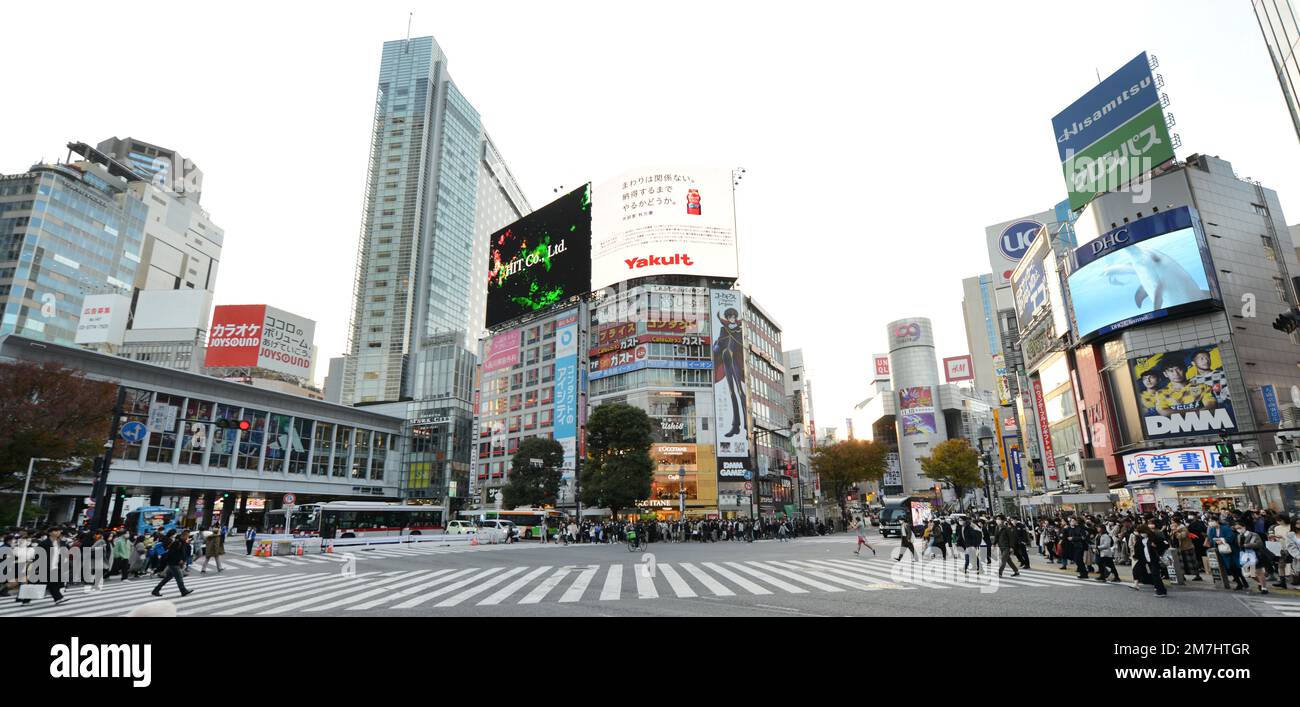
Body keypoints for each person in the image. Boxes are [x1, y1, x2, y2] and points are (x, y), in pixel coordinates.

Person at [1206, 516, 1248, 591]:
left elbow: (1231, 536)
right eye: (1209, 521)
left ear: (1216, 521)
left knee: (1236, 566)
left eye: (1212, 521)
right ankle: (1239, 582)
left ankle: (1242, 581)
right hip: (1222, 551)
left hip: (1232, 550)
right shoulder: (1212, 530)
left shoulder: (1225, 528)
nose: (1210, 523)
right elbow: (1210, 539)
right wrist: (1216, 542)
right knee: (1230, 567)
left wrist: (1222, 540)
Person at [152, 532, 194, 598]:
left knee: (167, 578)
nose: (187, 538)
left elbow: (183, 553)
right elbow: (172, 553)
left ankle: (156, 590)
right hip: (174, 563)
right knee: (179, 578)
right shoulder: (177, 543)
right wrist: (179, 560)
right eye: (187, 536)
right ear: (183, 536)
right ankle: (183, 591)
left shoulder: (182, 543)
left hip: (173, 563)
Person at [1234, 520, 1271, 595]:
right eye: (1236, 528)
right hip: (1245, 556)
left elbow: (1259, 544)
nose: (1238, 529)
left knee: (1259, 572)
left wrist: (1246, 545)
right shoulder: (1238, 536)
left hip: (1255, 555)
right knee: (1250, 574)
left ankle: (1264, 588)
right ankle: (1259, 582)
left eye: (1239, 527)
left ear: (1244, 527)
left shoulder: (1253, 534)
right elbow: (1239, 546)